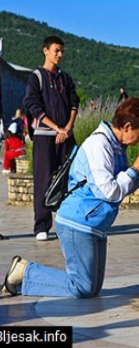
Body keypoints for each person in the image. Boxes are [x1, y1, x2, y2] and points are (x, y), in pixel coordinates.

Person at [2, 97, 139, 298]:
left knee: (91, 288)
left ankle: (24, 273)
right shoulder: (99, 145)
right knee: (81, 287)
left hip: (95, 225)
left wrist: (138, 174)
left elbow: (122, 188)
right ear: (127, 126)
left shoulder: (116, 147)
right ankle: (24, 271)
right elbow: (109, 191)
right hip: (78, 223)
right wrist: (134, 170)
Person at [23, 35, 80, 241]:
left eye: (62, 51)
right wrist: (56, 128)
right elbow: (33, 104)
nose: (60, 54)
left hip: (66, 136)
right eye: (56, 50)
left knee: (70, 178)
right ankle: (42, 226)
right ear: (45, 51)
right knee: (44, 179)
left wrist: (67, 128)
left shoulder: (65, 78)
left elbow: (74, 102)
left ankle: (68, 221)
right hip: (45, 137)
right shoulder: (36, 77)